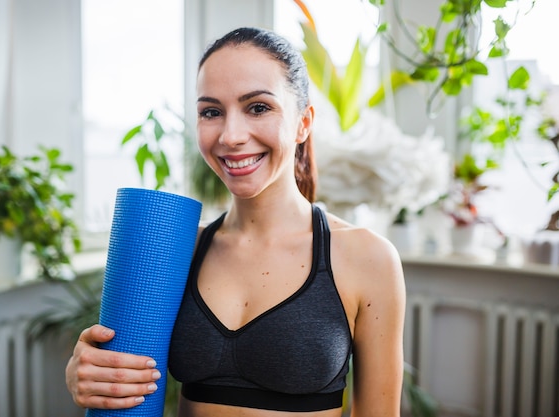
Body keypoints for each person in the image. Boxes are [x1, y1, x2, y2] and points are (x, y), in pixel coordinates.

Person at [66, 26, 406, 417]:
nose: (230, 136)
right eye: (211, 112)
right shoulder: (179, 250)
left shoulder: (367, 257)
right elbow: (118, 377)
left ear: (303, 122)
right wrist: (88, 373)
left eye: (258, 107)